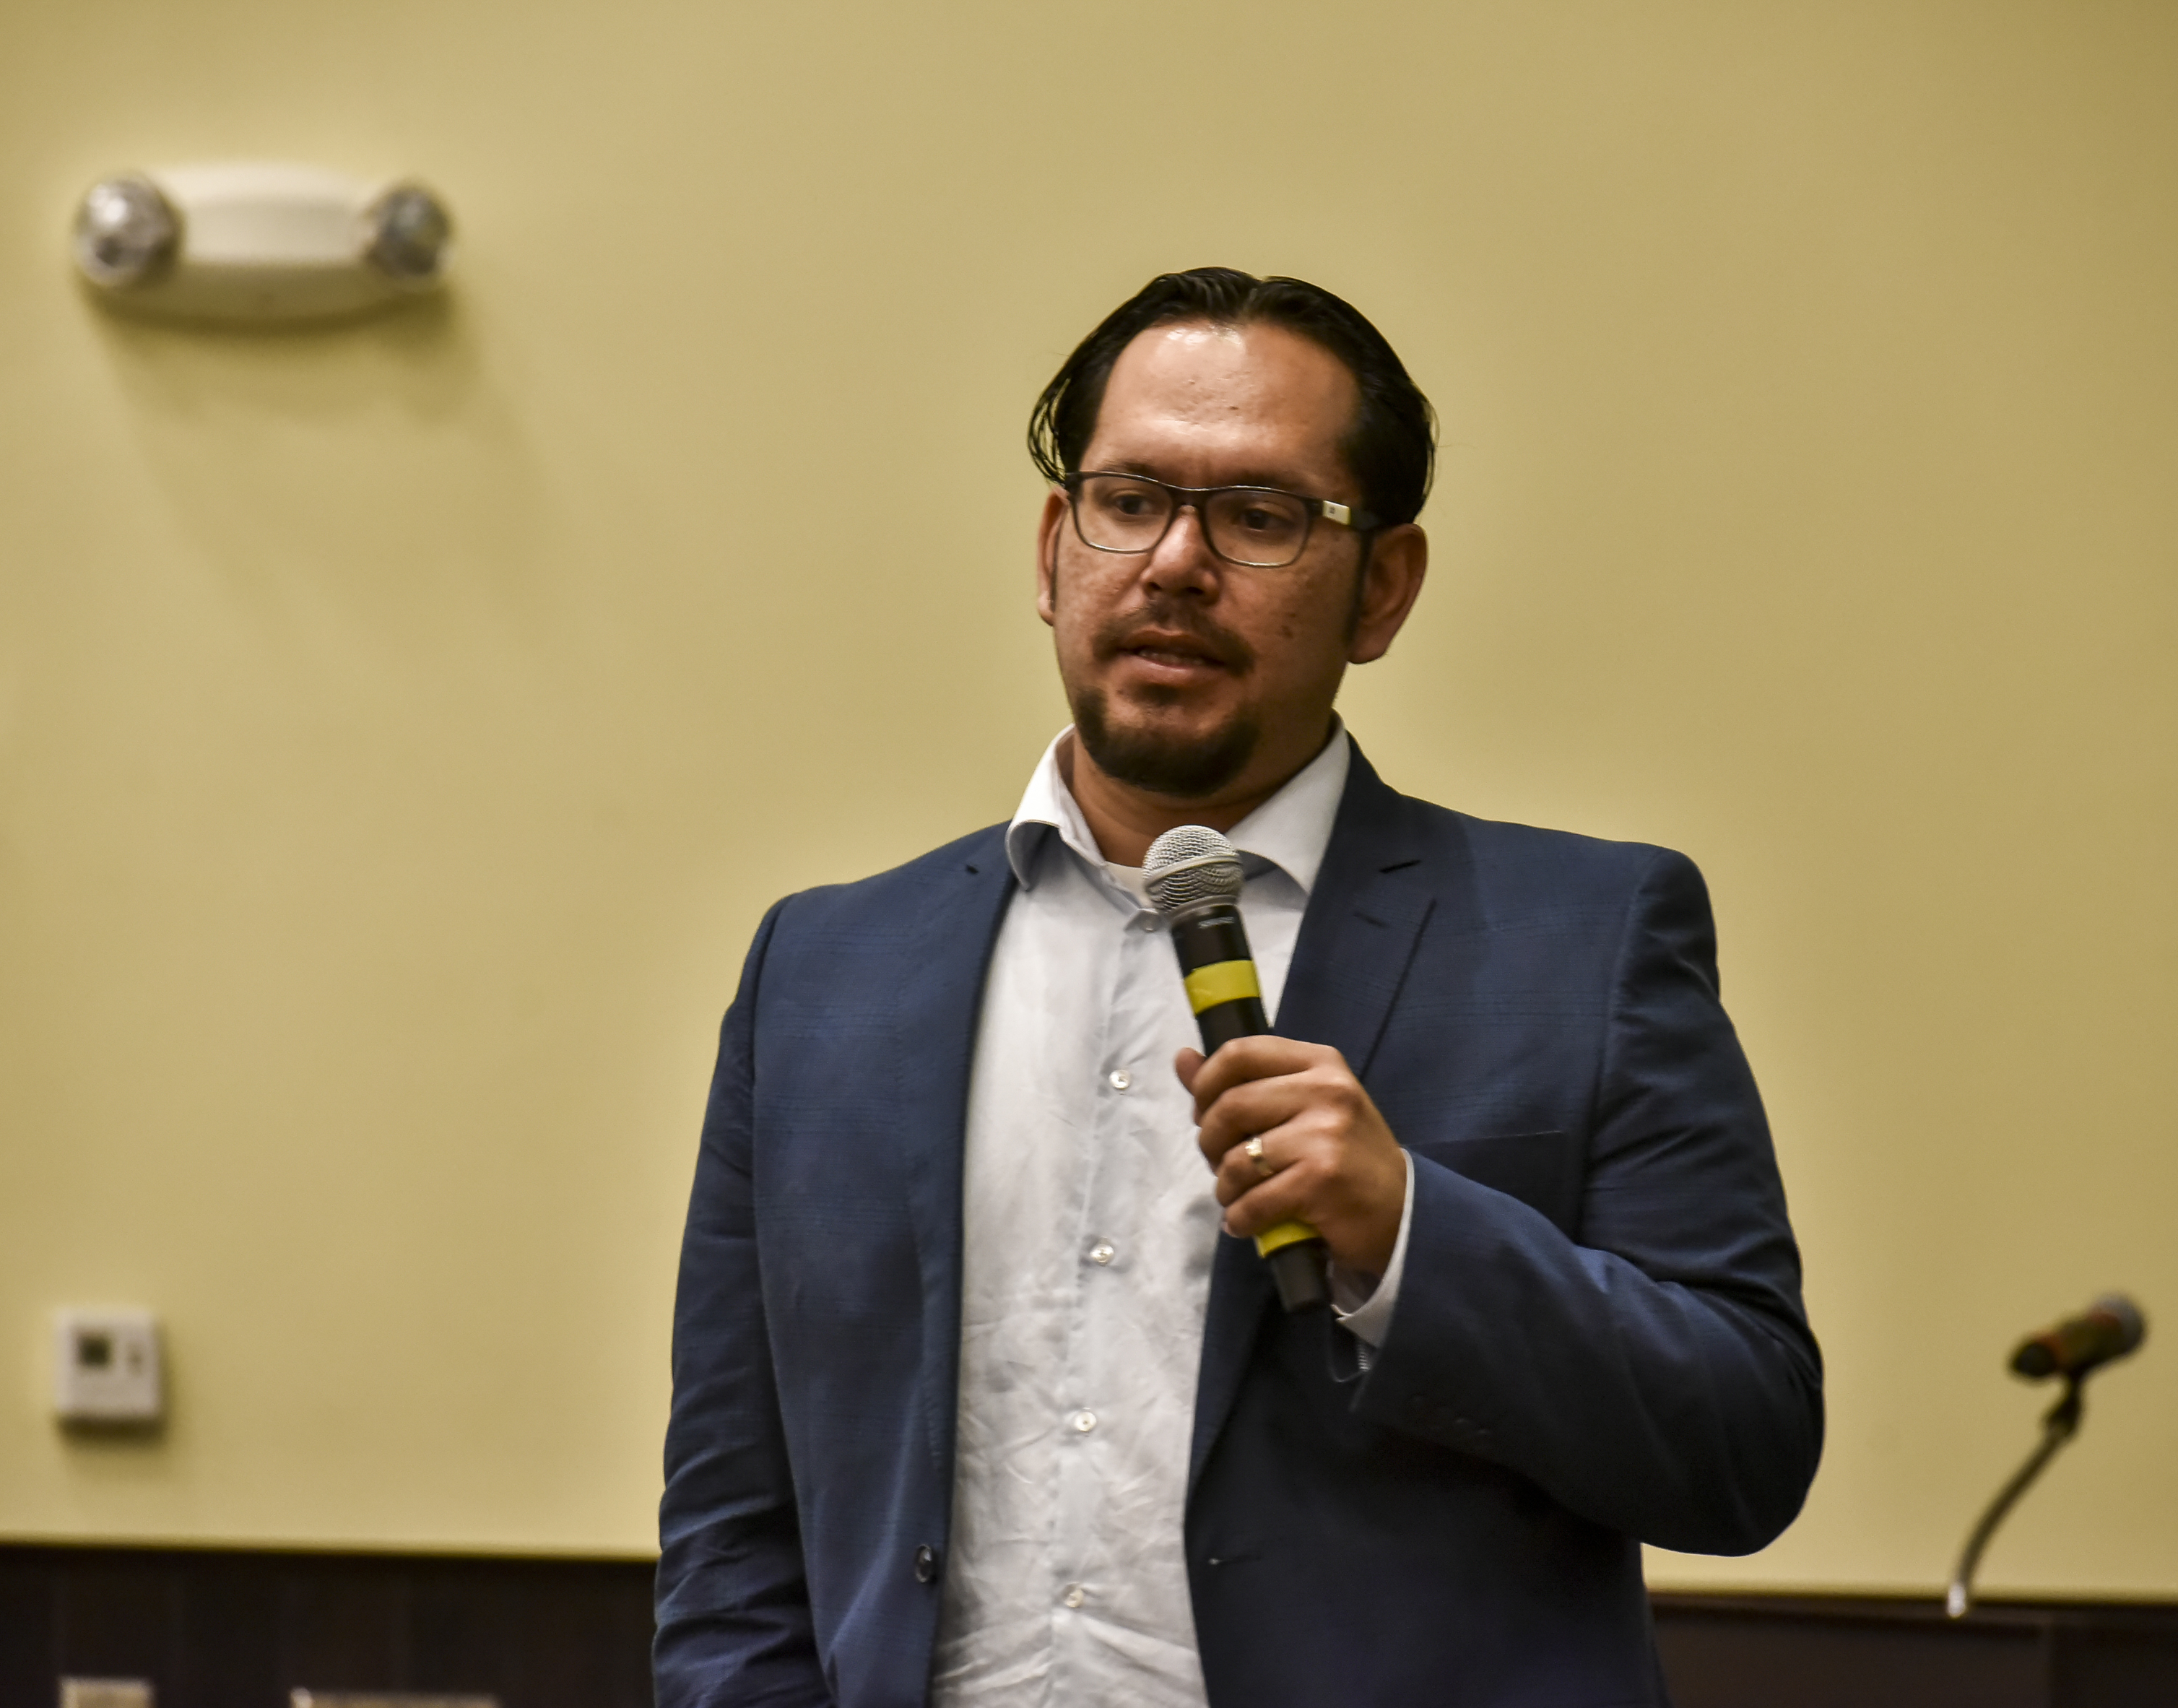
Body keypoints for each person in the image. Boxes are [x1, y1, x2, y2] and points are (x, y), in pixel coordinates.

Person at [654, 268, 1821, 1708]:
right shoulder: (825, 972)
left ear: (1381, 587)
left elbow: (1746, 1440)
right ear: (1052, 551)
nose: (1172, 563)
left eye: (1260, 516)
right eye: (1129, 499)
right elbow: (735, 1523)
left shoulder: (1579, 940)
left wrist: (1411, 1235)